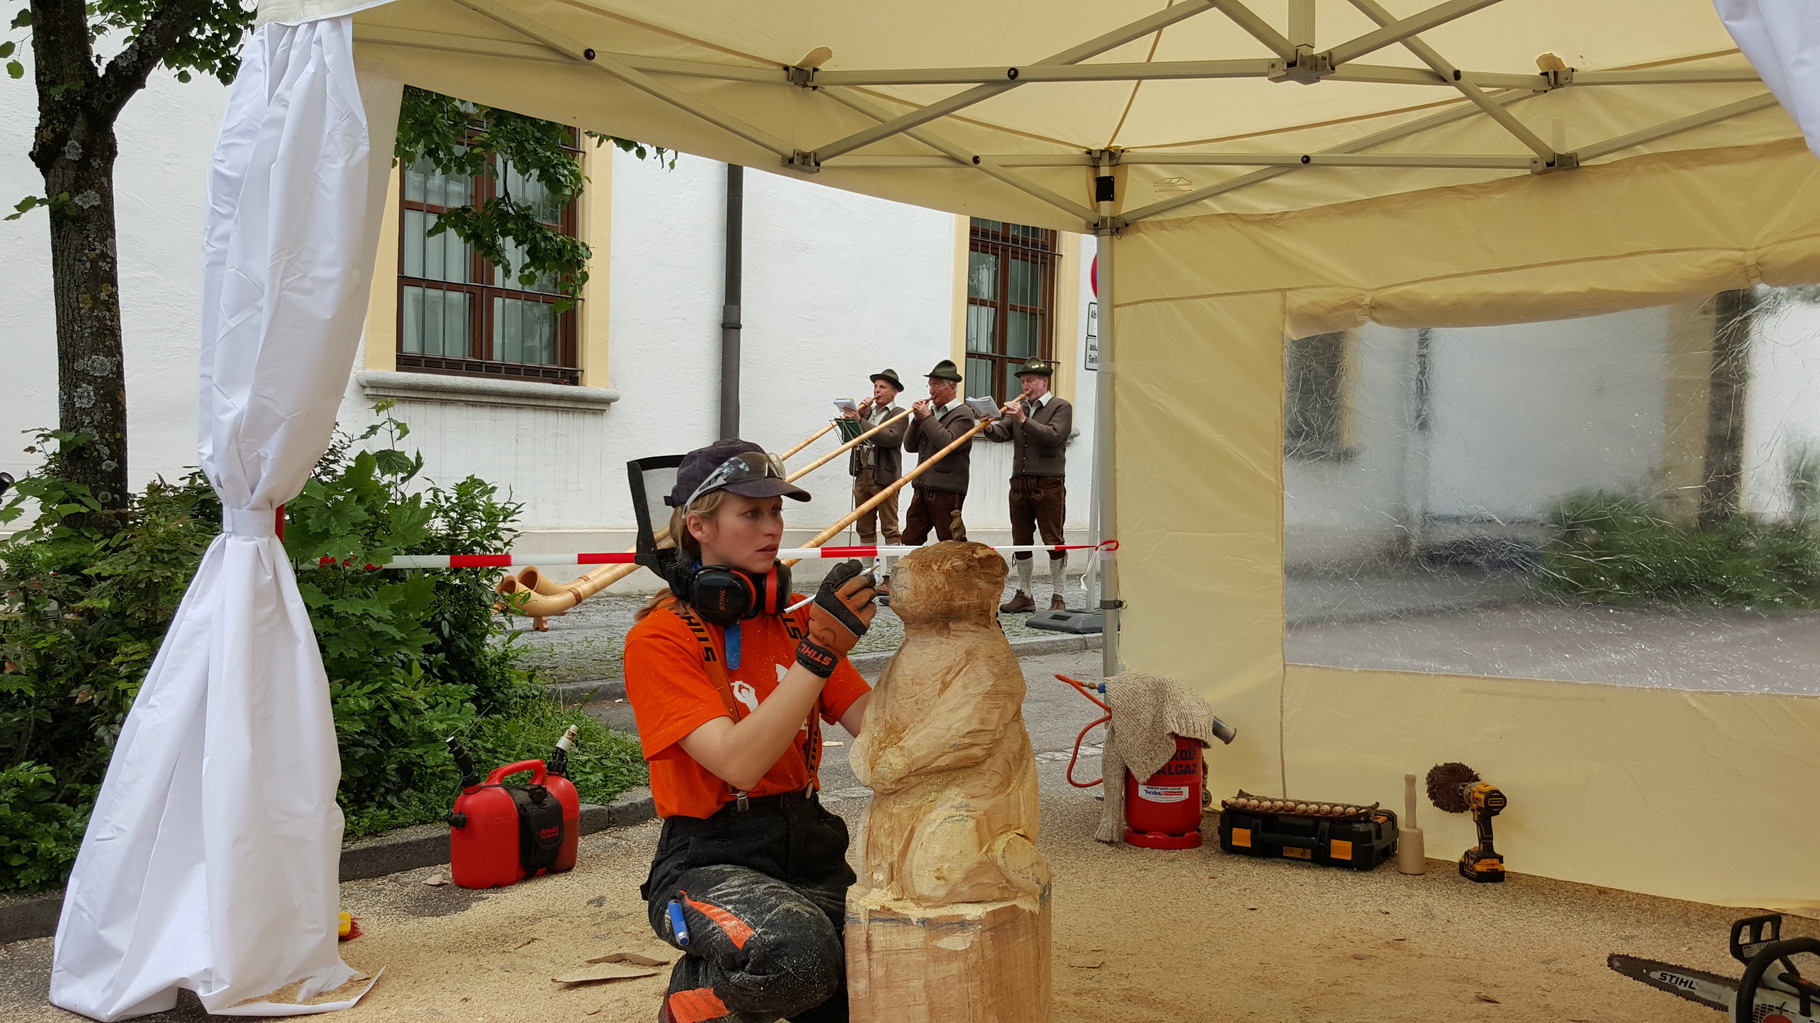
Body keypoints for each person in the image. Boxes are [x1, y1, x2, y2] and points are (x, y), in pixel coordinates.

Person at [624, 438, 879, 1023]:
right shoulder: (660, 638)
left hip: (811, 847)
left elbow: (881, 729)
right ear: (700, 526)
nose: (773, 528)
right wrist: (818, 656)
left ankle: (750, 973)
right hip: (707, 860)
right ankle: (695, 999)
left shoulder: (795, 628)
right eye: (752, 512)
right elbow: (738, 764)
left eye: (777, 511)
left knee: (879, 964)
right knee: (797, 957)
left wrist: (936, 643)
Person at [982, 358, 1074, 612]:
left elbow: (1053, 437)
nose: (1026, 385)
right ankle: (1025, 593)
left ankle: (1059, 595)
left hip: (1048, 481)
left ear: (1044, 382)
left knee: (1052, 537)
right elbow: (1003, 434)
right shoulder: (1021, 408)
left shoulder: (1060, 407)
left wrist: (1023, 419)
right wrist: (988, 426)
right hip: (1019, 483)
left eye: (1030, 381)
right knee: (1021, 538)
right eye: (1023, 381)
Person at [900, 359, 978, 546]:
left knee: (950, 539)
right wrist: (916, 422)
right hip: (922, 486)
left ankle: (956, 576)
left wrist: (926, 418)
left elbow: (947, 443)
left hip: (947, 489)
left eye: (936, 385)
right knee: (911, 537)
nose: (930, 390)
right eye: (930, 385)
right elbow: (910, 446)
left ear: (952, 388)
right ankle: (914, 575)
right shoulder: (932, 414)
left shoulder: (964, 414)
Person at [843, 368, 910, 568]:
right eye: (875, 386)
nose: (877, 391)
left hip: (884, 477)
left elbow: (888, 438)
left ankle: (890, 574)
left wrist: (860, 421)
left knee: (889, 527)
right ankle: (867, 572)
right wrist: (854, 421)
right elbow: (850, 439)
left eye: (882, 387)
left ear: (894, 392)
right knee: (864, 526)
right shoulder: (868, 412)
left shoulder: (900, 413)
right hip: (863, 473)